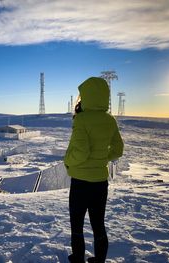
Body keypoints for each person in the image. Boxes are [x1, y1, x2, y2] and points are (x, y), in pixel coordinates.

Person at [64, 77, 124, 263]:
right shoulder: (110, 120)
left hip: (80, 182)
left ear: (87, 96)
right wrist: (102, 159)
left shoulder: (81, 120)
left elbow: (81, 152)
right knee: (98, 225)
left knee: (77, 225)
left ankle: (78, 258)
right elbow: (118, 149)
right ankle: (99, 260)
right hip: (99, 182)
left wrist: (67, 161)